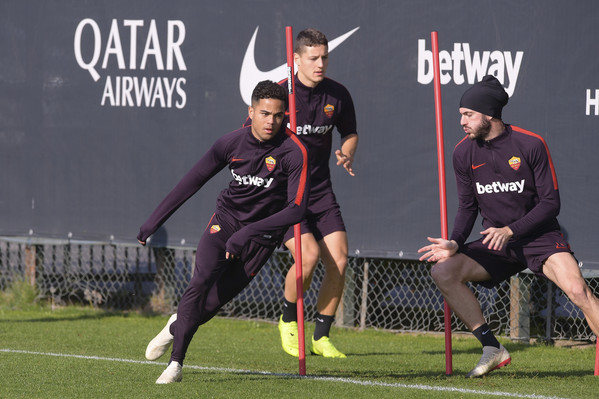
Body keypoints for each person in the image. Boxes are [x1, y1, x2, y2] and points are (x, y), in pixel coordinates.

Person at [418, 75, 599, 378]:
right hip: (498, 243)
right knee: (442, 270)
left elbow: (550, 203)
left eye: (468, 114)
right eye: (461, 114)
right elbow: (467, 207)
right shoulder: (463, 152)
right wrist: (455, 243)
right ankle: (492, 348)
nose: (461, 121)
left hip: (539, 237)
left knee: (579, 291)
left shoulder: (530, 144)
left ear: (488, 114)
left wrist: (511, 230)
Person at [138, 80, 310, 384]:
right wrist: (154, 220)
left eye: (278, 115)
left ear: (286, 115)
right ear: (251, 112)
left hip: (260, 239)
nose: (271, 121)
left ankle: (174, 327)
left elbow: (295, 210)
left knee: (209, 306)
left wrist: (248, 234)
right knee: (200, 281)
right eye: (265, 113)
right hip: (225, 223)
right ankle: (176, 364)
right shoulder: (230, 143)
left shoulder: (294, 152)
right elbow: (192, 181)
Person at [245, 28, 358, 358]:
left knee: (338, 260)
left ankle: (321, 335)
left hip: (321, 191)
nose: (320, 63)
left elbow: (349, 133)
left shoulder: (337, 94)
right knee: (306, 258)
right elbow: (251, 137)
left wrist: (348, 151)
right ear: (296, 59)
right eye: (313, 58)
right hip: (285, 194)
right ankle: (288, 320)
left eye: (325, 57)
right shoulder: (279, 96)